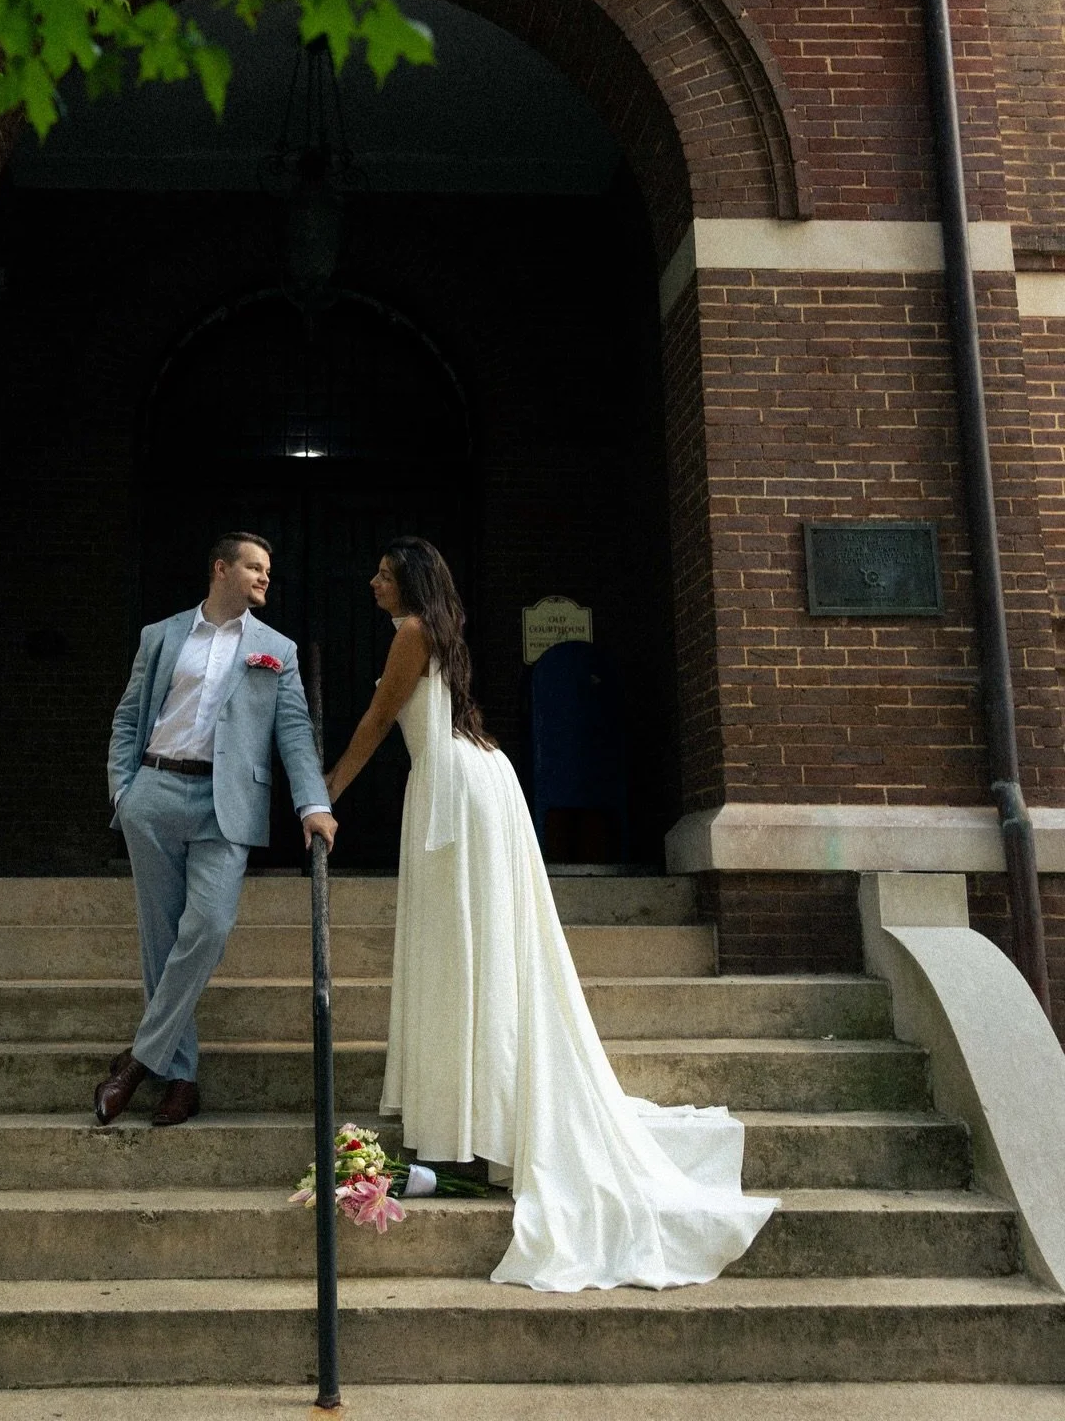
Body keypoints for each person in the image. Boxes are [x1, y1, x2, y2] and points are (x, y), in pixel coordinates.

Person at [324, 536, 776, 1291]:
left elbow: (376, 722)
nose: (372, 581)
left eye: (383, 572)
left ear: (409, 582)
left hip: (457, 796)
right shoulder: (434, 632)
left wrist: (324, 795)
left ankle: (466, 1126)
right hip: (472, 788)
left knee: (462, 953)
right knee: (470, 952)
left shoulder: (409, 634)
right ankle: (467, 1120)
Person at [97, 531, 336, 1127]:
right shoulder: (161, 636)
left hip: (226, 804)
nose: (265, 578)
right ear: (220, 569)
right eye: (254, 567)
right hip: (153, 793)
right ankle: (180, 1077)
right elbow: (129, 716)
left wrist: (312, 804)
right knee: (161, 941)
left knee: (206, 927)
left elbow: (295, 734)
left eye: (268, 571)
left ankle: (138, 1060)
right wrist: (125, 791)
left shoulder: (275, 650)